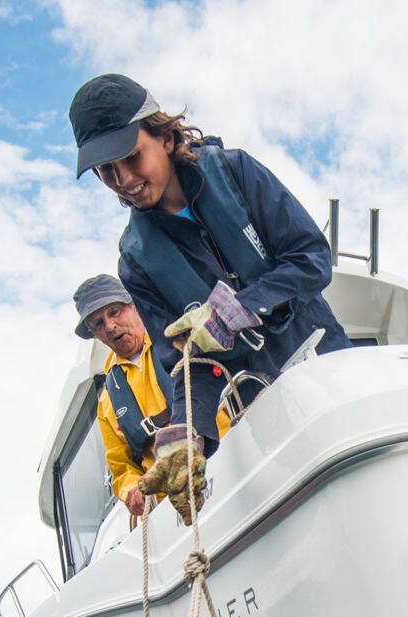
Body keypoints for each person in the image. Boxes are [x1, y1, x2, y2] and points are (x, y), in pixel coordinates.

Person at [69, 73, 351, 518]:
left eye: (130, 157)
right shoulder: (136, 263)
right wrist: (188, 438)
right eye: (106, 171)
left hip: (329, 373)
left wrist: (241, 308)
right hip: (261, 417)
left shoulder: (236, 173)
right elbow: (186, 364)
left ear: (164, 137)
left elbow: (313, 259)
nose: (122, 179)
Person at [71, 273, 230, 521]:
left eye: (114, 312)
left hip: (224, 454)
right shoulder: (107, 400)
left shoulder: (176, 335)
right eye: (99, 324)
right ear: (95, 334)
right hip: (173, 506)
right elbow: (120, 467)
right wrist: (131, 489)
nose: (110, 326)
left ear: (134, 306)